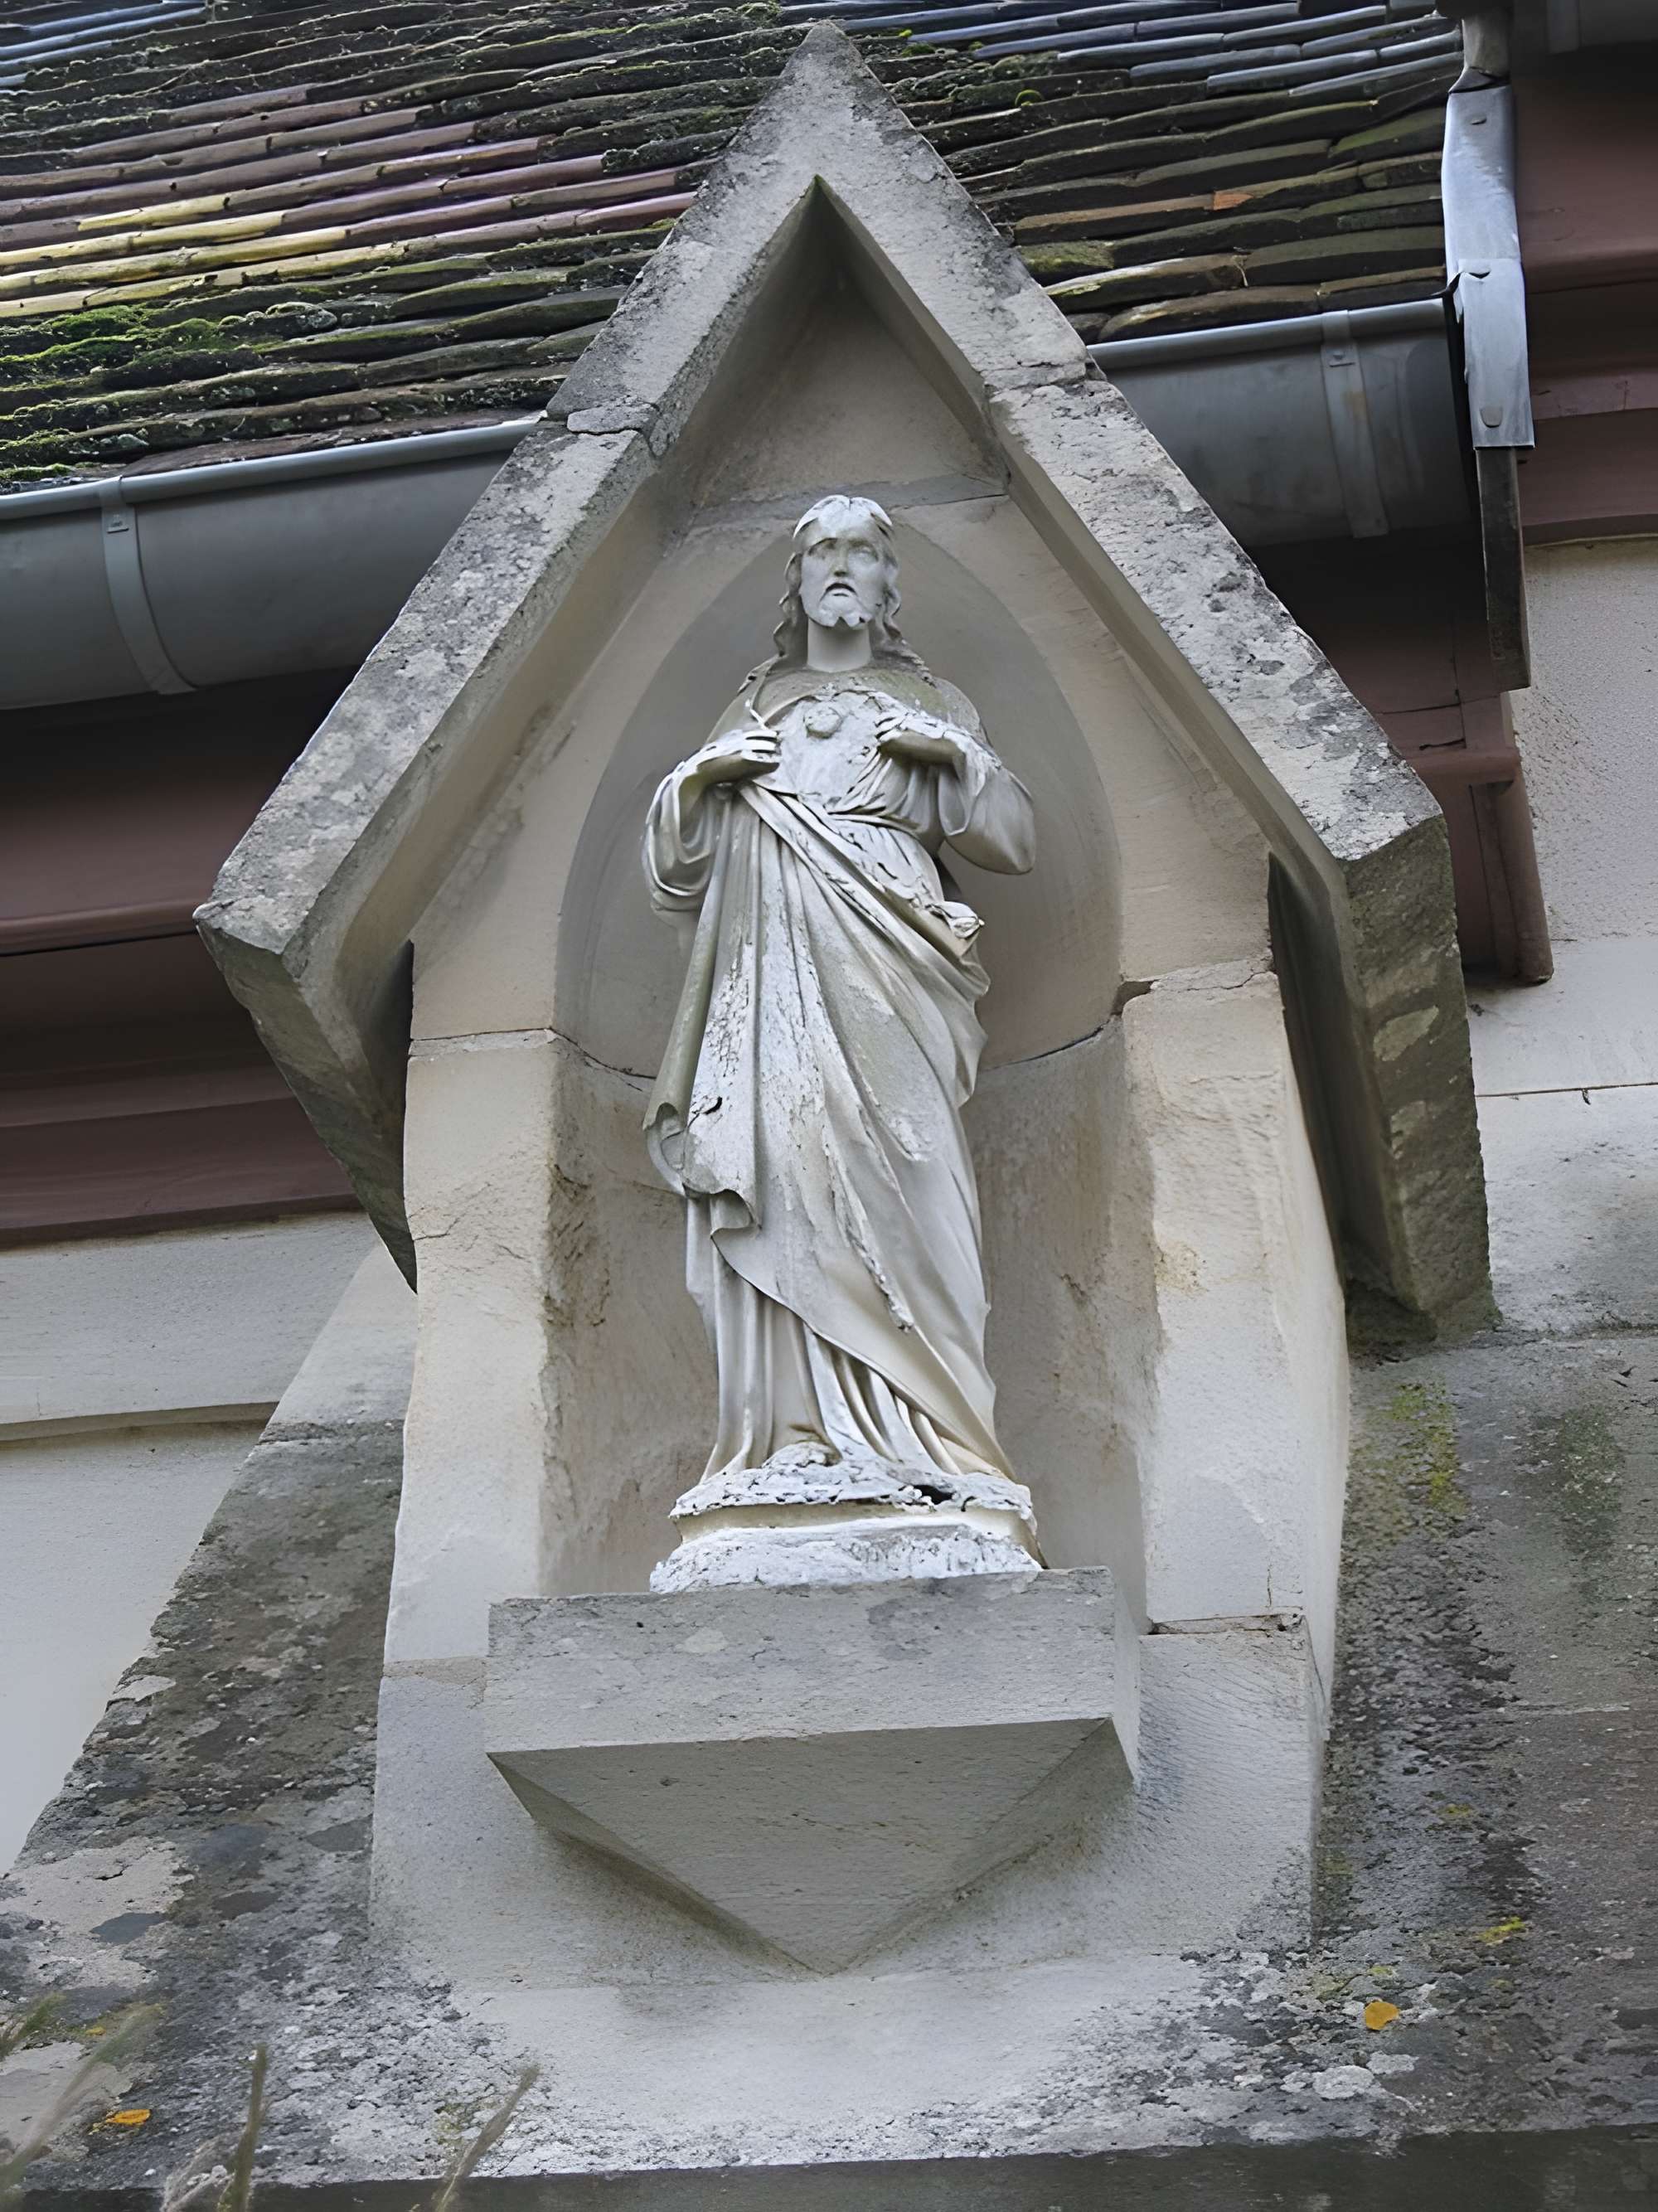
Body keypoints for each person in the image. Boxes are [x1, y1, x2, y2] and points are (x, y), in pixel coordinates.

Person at [643, 493, 1035, 1502]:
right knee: (785, 1170)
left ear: (888, 582)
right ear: (799, 576)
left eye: (862, 551)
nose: (842, 567)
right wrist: (700, 779)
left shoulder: (931, 699)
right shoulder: (753, 708)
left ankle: (938, 1443)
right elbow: (676, 872)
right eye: (823, 550)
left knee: (913, 1178)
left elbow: (1012, 843)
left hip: (895, 970)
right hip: (768, 974)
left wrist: (956, 760)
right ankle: (791, 1434)